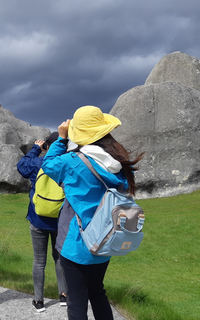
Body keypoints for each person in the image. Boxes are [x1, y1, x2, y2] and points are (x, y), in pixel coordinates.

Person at [41, 106, 143, 319]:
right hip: (106, 240)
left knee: (76, 301)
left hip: (78, 243)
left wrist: (61, 139)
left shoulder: (72, 162)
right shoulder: (120, 162)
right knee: (97, 292)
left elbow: (48, 163)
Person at [16, 132, 67, 313]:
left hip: (37, 219)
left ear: (48, 146)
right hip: (60, 220)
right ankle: (64, 295)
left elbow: (21, 167)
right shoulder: (67, 164)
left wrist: (35, 149)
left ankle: (39, 301)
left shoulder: (38, 163)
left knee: (39, 261)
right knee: (59, 258)